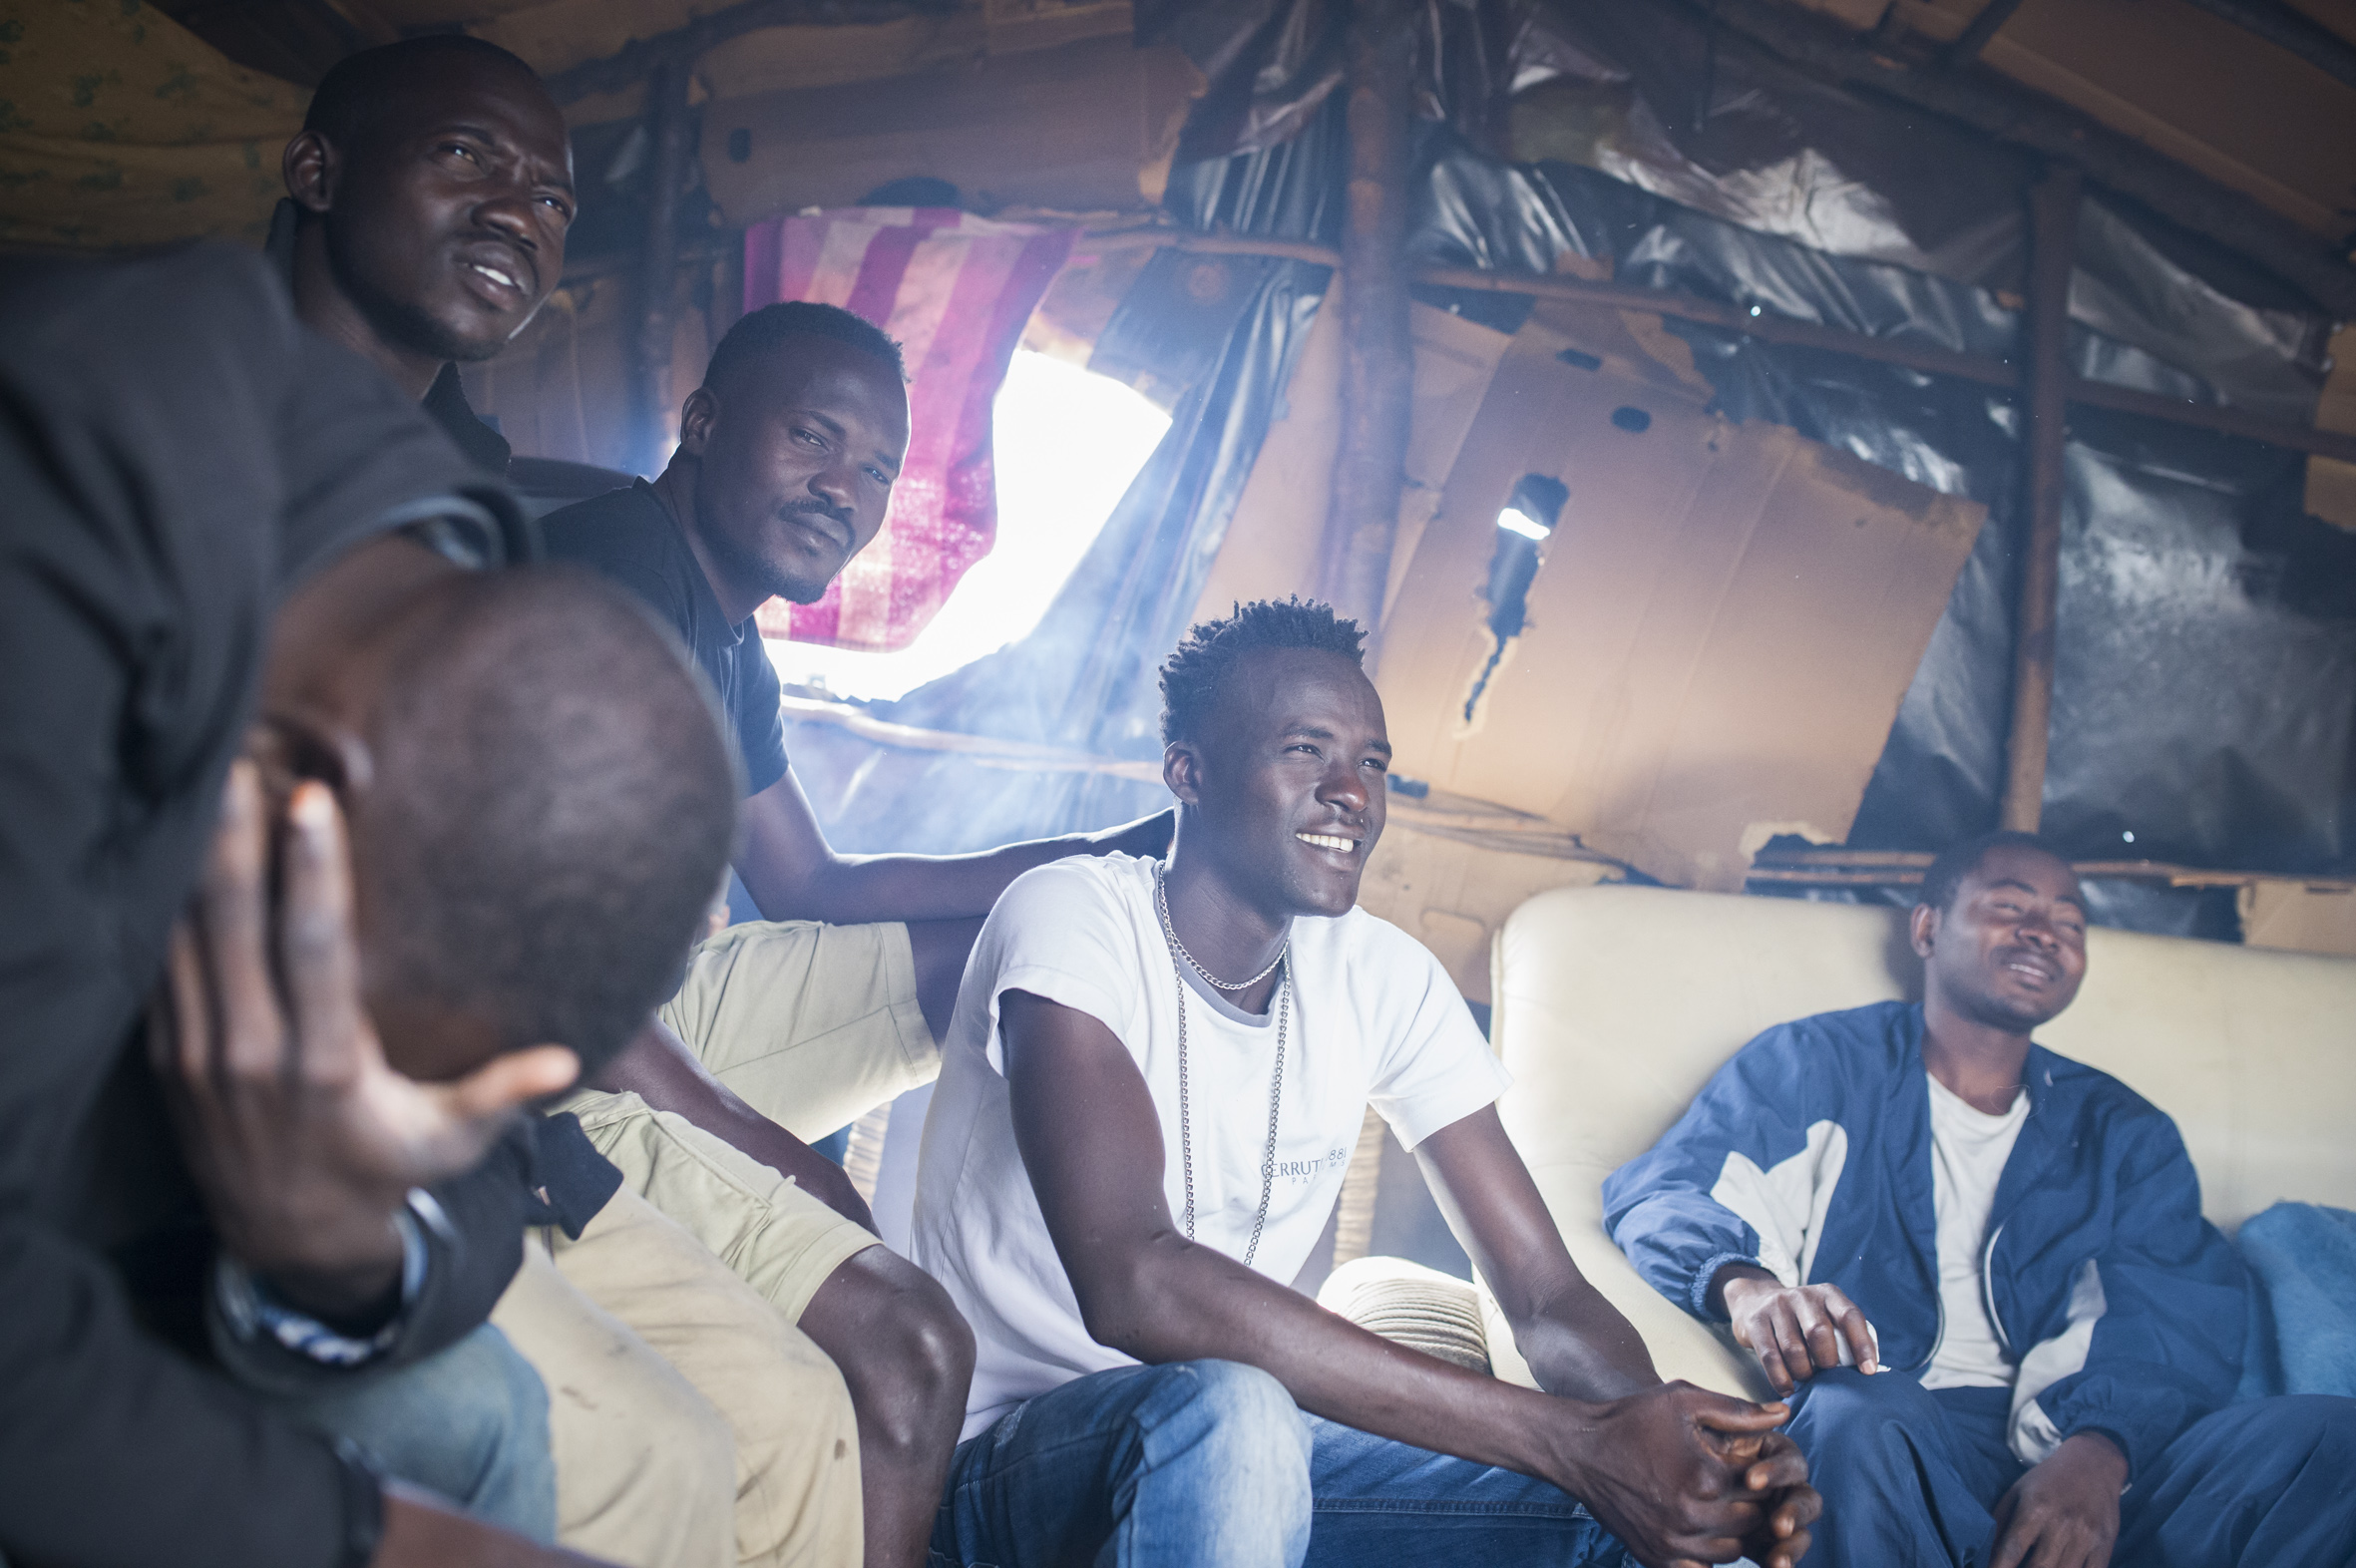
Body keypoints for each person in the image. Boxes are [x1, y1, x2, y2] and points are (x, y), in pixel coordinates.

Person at [276, 39, 943, 1568]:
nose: (518, 210)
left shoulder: (459, 494)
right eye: (467, 160)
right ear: (315, 170)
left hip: (483, 1081)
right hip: (350, 1087)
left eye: (554, 197)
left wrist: (1106, 867)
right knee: (672, 1446)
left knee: (788, 1416)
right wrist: (753, 1142)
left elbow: (774, 886)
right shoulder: (173, 406)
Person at [906, 598, 1819, 1568]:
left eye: (1373, 762)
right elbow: (1134, 1281)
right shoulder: (1073, 917)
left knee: (1622, 1519)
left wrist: (1663, 1448)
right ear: (1189, 771)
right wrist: (1565, 1439)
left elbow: (1545, 1296)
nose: (1352, 791)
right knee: (1238, 1410)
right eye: (1307, 750)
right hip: (996, 1468)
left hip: (1247, 1461)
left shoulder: (1382, 975)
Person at [539, 297, 1184, 1564]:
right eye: (814, 440)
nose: (846, 488)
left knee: (1001, 946)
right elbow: (570, 995)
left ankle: (1059, 1293)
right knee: (906, 1339)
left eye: (877, 469)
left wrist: (1100, 858)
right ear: (707, 424)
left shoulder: (725, 630)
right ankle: (912, 1316)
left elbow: (814, 881)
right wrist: (793, 1163)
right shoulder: (614, 589)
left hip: (654, 1002)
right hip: (561, 1059)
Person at [0, 243, 605, 1568]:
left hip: (153, 1241)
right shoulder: (80, 459)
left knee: (486, 1407)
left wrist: (338, 1247)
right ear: (315, 797)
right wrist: (386, 1545)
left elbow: (489, 1167)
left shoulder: (475, 702)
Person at [1602, 830, 2356, 1568]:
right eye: (2011, 906)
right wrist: (1748, 1286)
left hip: (2078, 1455)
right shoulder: (1817, 1064)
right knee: (1852, 1413)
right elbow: (1674, 1190)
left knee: (2327, 1437)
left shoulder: (2124, 1132)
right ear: (1927, 928)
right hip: (1895, 1432)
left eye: (2069, 922)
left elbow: (2172, 1311)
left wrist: (2099, 1454)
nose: (2044, 933)